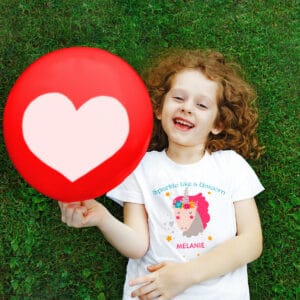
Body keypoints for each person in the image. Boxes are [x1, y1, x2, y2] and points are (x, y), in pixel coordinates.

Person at [59, 49, 264, 299]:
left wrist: (186, 275)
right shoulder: (141, 167)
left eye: (201, 105)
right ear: (159, 109)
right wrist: (103, 218)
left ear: (218, 124)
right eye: (178, 98)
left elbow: (251, 242)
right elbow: (137, 245)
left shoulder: (231, 166)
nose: (187, 108)